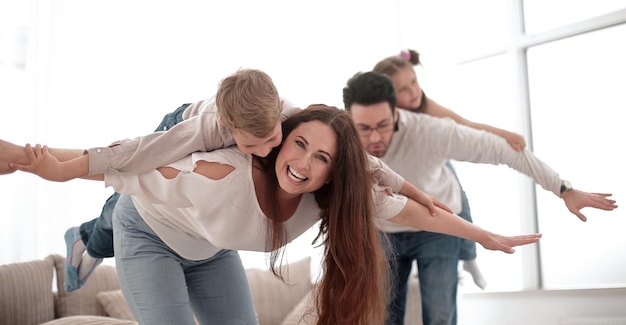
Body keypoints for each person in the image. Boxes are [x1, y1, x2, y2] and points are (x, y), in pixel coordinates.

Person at [11, 104, 542, 325]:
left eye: (322, 158)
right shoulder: (222, 170)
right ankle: (87, 238)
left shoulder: (328, 197)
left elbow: (418, 214)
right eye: (300, 145)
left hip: (210, 250)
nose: (303, 163)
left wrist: (485, 235)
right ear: (281, 139)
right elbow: (129, 163)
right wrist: (32, 162)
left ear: (334, 173)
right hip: (150, 230)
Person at [0, 68, 445, 292]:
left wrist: (414, 190)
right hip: (176, 131)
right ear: (230, 133)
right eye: (254, 145)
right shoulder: (200, 131)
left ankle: (91, 238)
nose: (270, 151)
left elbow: (362, 163)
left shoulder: (290, 120)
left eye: (274, 138)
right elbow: (127, 156)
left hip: (234, 134)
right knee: (133, 191)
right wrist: (47, 167)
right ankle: (87, 241)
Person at [342, 71, 617, 325]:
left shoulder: (432, 131)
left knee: (439, 314)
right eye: (364, 128)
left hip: (438, 224)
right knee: (381, 316)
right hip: (384, 229)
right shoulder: (343, 141)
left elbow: (504, 151)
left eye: (383, 124)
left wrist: (563, 188)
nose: (375, 137)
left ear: (396, 113)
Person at [374, 49, 528, 289]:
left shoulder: (426, 107)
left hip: (430, 163)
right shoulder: (377, 119)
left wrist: (504, 135)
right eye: (403, 89)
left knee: (453, 188)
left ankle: (469, 256)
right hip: (398, 176)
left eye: (414, 82)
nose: (414, 91)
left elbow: (466, 125)